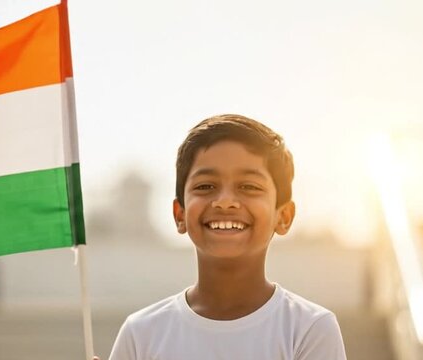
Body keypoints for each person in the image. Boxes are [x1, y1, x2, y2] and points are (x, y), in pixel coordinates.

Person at [100, 114, 347, 359]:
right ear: (180, 214)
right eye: (205, 186)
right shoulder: (141, 333)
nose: (225, 202)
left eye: (249, 186)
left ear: (283, 216)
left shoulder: (310, 329)